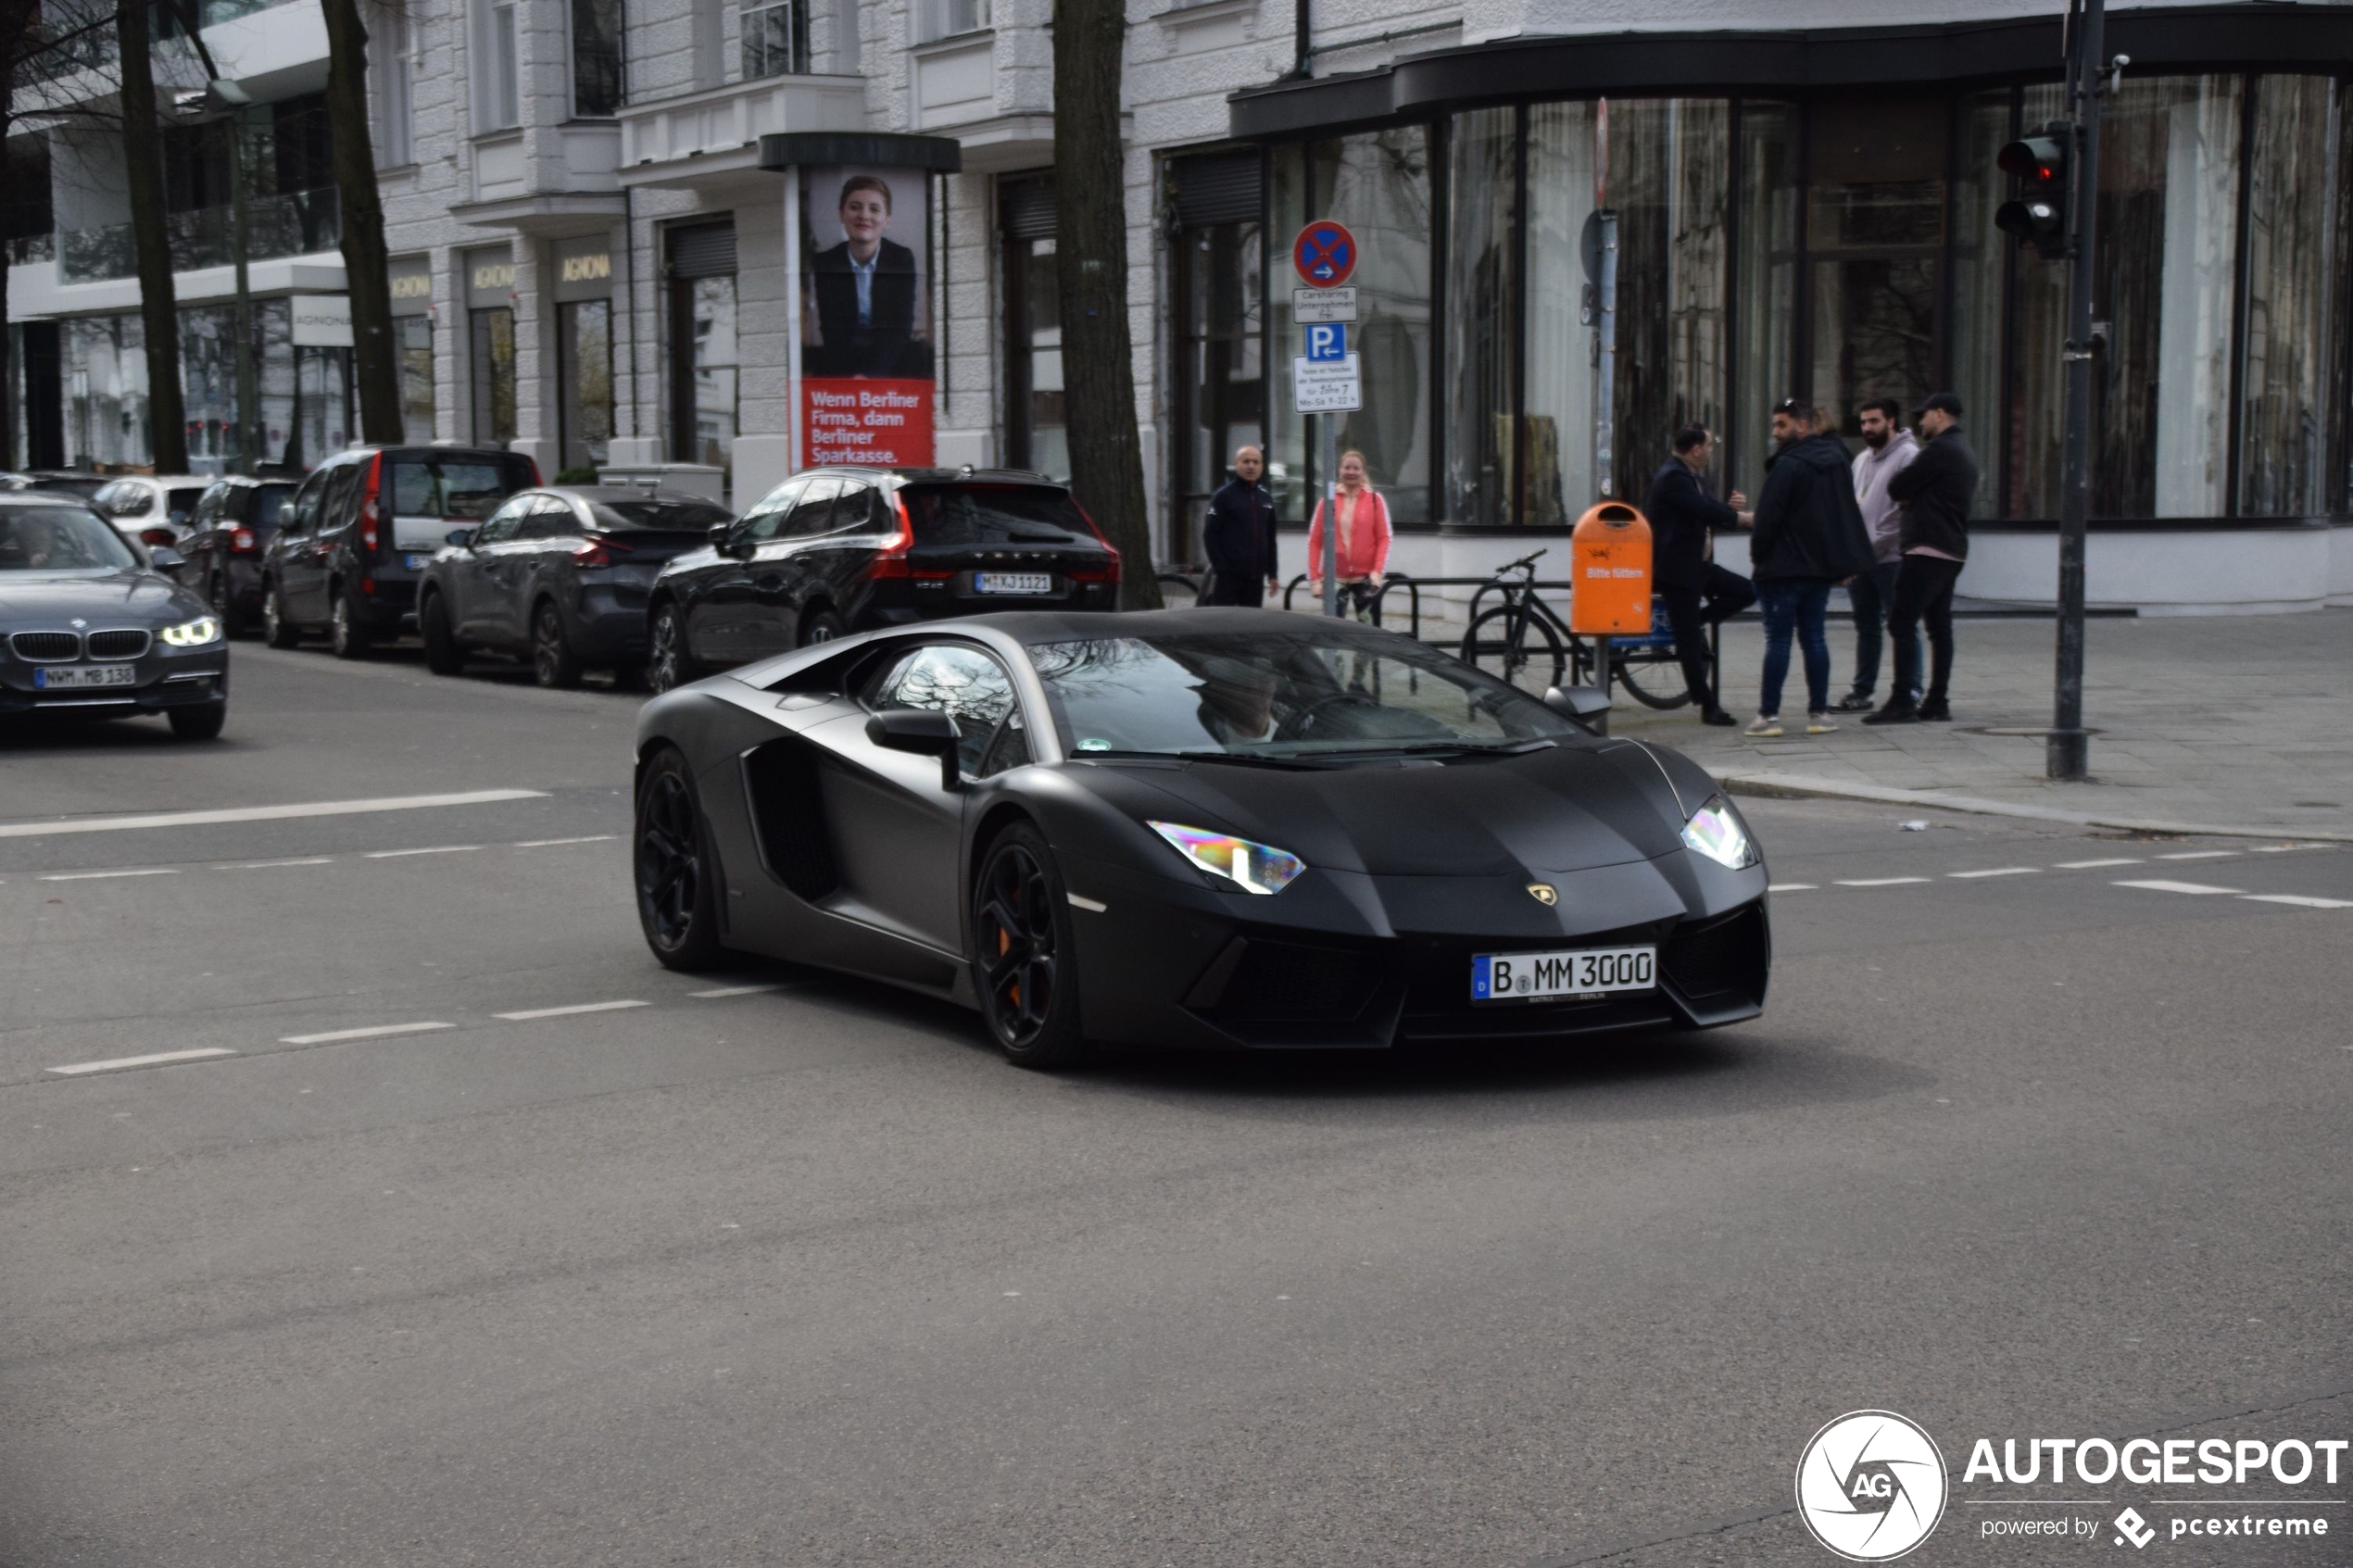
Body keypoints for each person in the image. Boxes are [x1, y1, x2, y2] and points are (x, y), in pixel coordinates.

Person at [1743, 399, 1876, 738]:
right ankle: (1820, 713)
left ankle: (1768, 716)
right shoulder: (1835, 462)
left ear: (1802, 425)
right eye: (1774, 425)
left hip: (1783, 569)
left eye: (1781, 425)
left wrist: (1758, 557)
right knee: (1815, 639)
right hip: (1817, 570)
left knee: (1778, 641)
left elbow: (1768, 519)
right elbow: (1844, 515)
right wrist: (1845, 561)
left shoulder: (1788, 465)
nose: (1775, 432)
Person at [1865, 393, 1981, 726]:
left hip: (1926, 547)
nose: (1920, 422)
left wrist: (1910, 497)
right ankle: (1937, 701)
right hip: (1952, 548)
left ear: (1940, 415)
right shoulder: (1965, 451)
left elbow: (1898, 486)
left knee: (1901, 621)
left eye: (1924, 415)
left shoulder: (1940, 450)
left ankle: (1902, 700)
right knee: (1939, 627)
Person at [1643, 424, 1756, 726]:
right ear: (1695, 449)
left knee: (1746, 591)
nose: (1710, 450)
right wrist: (1740, 518)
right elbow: (1699, 507)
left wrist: (1726, 510)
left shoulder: (1689, 475)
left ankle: (1699, 620)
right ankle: (1708, 706)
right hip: (1678, 570)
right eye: (1709, 445)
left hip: (1698, 565)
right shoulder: (1673, 478)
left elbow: (1702, 509)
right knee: (1689, 643)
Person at [1834, 397, 1922, 713]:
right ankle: (1863, 691)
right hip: (1862, 560)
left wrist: (1877, 547)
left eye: (1874, 421)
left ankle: (1911, 689)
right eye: (1863, 422)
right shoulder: (1860, 460)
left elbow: (1905, 515)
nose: (1867, 428)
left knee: (1902, 624)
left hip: (1893, 559)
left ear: (1891, 421)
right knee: (1866, 626)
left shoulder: (1909, 457)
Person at [807, 174, 923, 378]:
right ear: (841, 214)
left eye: (874, 209)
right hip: (843, 359)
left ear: (887, 219)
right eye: (855, 207)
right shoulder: (827, 262)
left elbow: (900, 327)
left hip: (890, 357)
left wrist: (871, 375)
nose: (864, 216)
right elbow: (831, 329)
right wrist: (853, 377)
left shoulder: (901, 259)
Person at [1303, 450, 1391, 619]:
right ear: (1339, 470)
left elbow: (1384, 538)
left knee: (1369, 632)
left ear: (1363, 471)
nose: (1351, 472)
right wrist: (1314, 579)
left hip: (1366, 579)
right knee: (1333, 631)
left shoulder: (1375, 499)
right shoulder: (1327, 500)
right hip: (1334, 577)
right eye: (1347, 468)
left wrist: (1377, 572)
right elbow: (1315, 540)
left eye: (1356, 468)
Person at [1201, 445, 1278, 608]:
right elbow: (1210, 535)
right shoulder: (1223, 496)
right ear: (1237, 464)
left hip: (1255, 578)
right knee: (1223, 625)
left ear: (1262, 466)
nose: (1251, 466)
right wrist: (1221, 569)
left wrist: (1272, 573)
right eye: (1246, 461)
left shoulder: (1265, 499)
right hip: (1229, 578)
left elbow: (1270, 538)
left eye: (1256, 462)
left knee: (1251, 627)